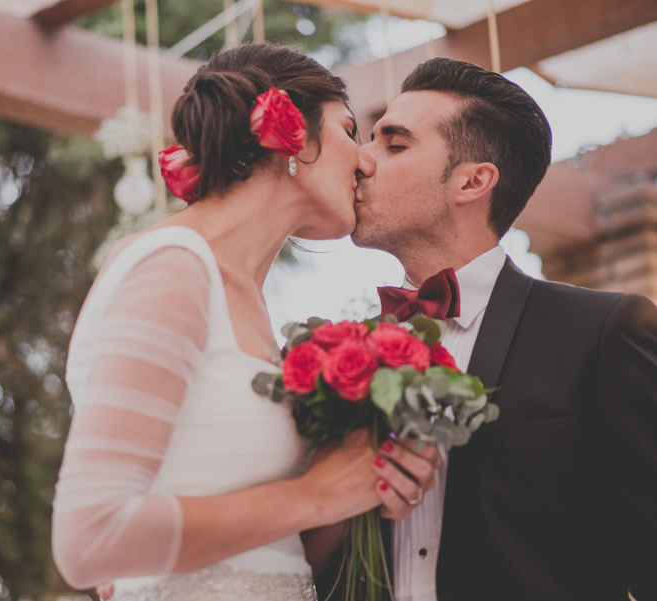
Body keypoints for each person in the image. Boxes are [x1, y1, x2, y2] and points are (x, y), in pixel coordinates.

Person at [50, 43, 440, 601]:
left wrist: (368, 474)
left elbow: (265, 545)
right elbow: (89, 540)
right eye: (350, 130)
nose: (364, 159)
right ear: (293, 137)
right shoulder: (172, 270)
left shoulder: (247, 301)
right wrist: (320, 493)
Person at [337, 57, 657, 601]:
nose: (360, 161)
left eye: (393, 144)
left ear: (472, 181)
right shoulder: (346, 355)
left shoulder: (605, 332)